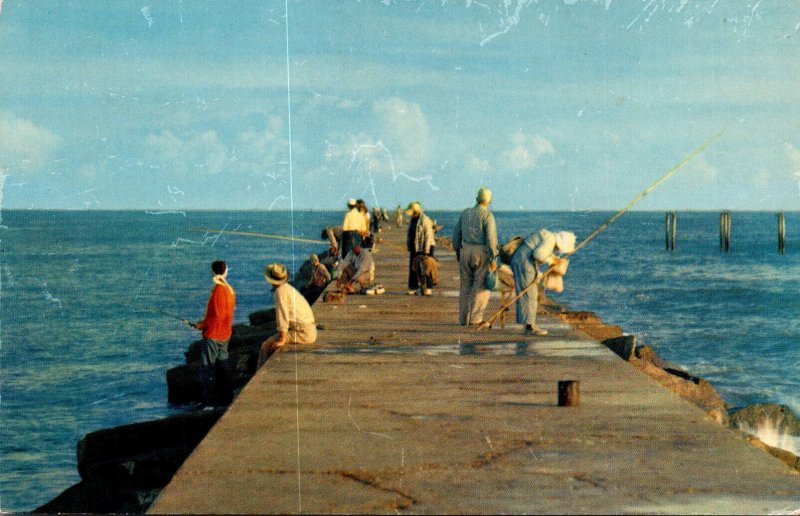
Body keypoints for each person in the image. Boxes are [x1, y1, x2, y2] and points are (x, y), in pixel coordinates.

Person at [510, 229, 576, 335]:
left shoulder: (548, 235)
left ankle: (528, 324)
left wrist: (551, 259)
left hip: (523, 260)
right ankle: (530, 326)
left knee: (529, 293)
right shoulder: (550, 240)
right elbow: (539, 254)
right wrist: (552, 262)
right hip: (524, 262)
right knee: (530, 294)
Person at [452, 187, 498, 326]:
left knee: (465, 285)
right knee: (480, 286)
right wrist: (493, 258)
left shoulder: (466, 213)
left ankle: (463, 319)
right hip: (481, 251)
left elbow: (456, 236)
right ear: (489, 201)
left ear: (477, 198)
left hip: (465, 249)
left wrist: (458, 251)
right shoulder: (487, 215)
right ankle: (475, 319)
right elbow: (491, 239)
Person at [192, 260, 236, 406]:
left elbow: (217, 316)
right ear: (225, 271)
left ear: (213, 272)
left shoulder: (218, 291)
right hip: (225, 333)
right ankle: (227, 399)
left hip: (214, 335)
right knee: (223, 367)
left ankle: (208, 403)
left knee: (207, 369)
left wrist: (202, 325)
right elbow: (225, 314)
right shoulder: (229, 290)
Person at [258, 263, 317, 367]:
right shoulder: (288, 288)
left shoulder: (280, 292)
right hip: (310, 330)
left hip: (303, 333)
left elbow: (283, 317)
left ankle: (258, 375)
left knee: (265, 346)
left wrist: (282, 339)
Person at [405, 201, 436, 296]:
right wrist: (409, 245)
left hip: (425, 246)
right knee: (414, 267)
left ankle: (428, 287)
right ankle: (413, 287)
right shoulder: (412, 220)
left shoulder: (424, 219)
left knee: (426, 268)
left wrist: (426, 248)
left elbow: (428, 235)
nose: (411, 215)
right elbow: (410, 234)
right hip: (415, 246)